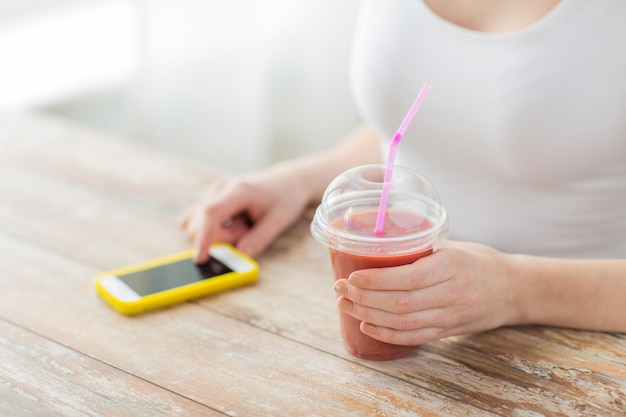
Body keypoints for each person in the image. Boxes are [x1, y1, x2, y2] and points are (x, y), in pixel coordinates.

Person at [179, 0, 626, 346]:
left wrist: (517, 290)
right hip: (421, 331)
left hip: (588, 348)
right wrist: (302, 179)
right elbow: (421, 129)